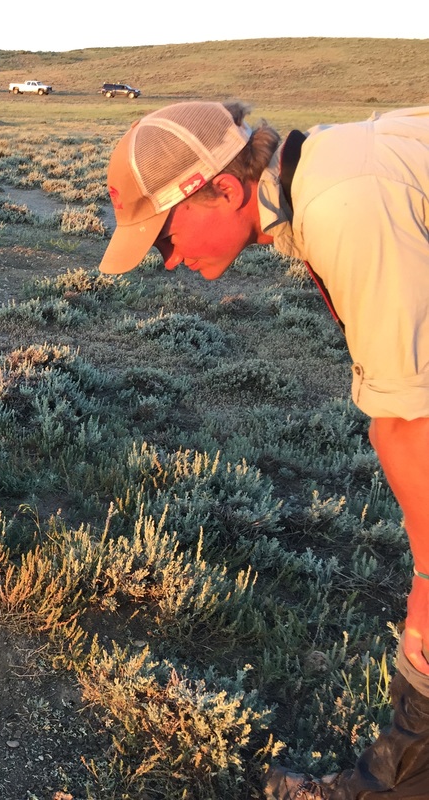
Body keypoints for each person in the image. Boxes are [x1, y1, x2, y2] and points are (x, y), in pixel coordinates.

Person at [99, 100, 429, 798]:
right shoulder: (324, 176)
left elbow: (411, 423)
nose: (167, 261)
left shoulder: (345, 205)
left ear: (222, 186)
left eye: (165, 235)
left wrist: (427, 588)